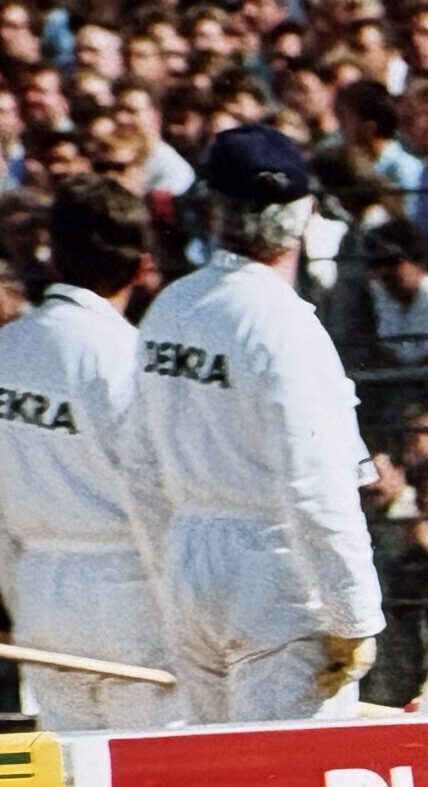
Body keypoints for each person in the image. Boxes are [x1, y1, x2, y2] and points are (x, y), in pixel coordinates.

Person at [126, 127, 382, 722]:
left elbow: (139, 468)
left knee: (220, 776)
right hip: (276, 577)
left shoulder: (172, 307)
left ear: (215, 211)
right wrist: (355, 617)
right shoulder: (285, 324)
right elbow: (316, 485)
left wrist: (172, 572)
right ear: (304, 215)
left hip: (191, 566)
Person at [0, 175, 171, 730]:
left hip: (39, 592)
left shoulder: (8, 349)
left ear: (53, 257)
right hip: (130, 593)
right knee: (145, 785)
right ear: (140, 266)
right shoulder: (127, 357)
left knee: (71, 785)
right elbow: (156, 496)